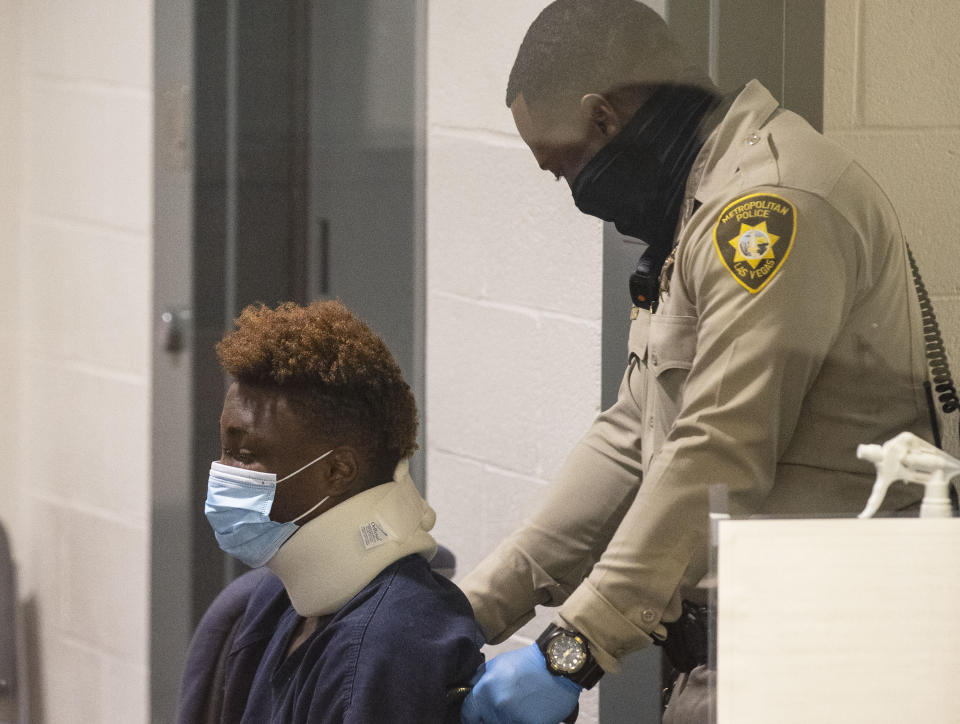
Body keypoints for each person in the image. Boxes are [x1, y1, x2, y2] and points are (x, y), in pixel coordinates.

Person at [458, 1, 936, 722]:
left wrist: (574, 647)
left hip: (813, 660)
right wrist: (475, 607)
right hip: (746, 653)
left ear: (603, 118)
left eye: (561, 165)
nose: (571, 189)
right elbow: (630, 435)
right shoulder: (703, 206)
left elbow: (720, 447)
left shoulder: (770, 207)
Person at [178, 300, 483, 723]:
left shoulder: (391, 645)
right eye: (225, 451)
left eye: (245, 455)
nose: (223, 474)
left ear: (337, 470)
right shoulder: (276, 599)